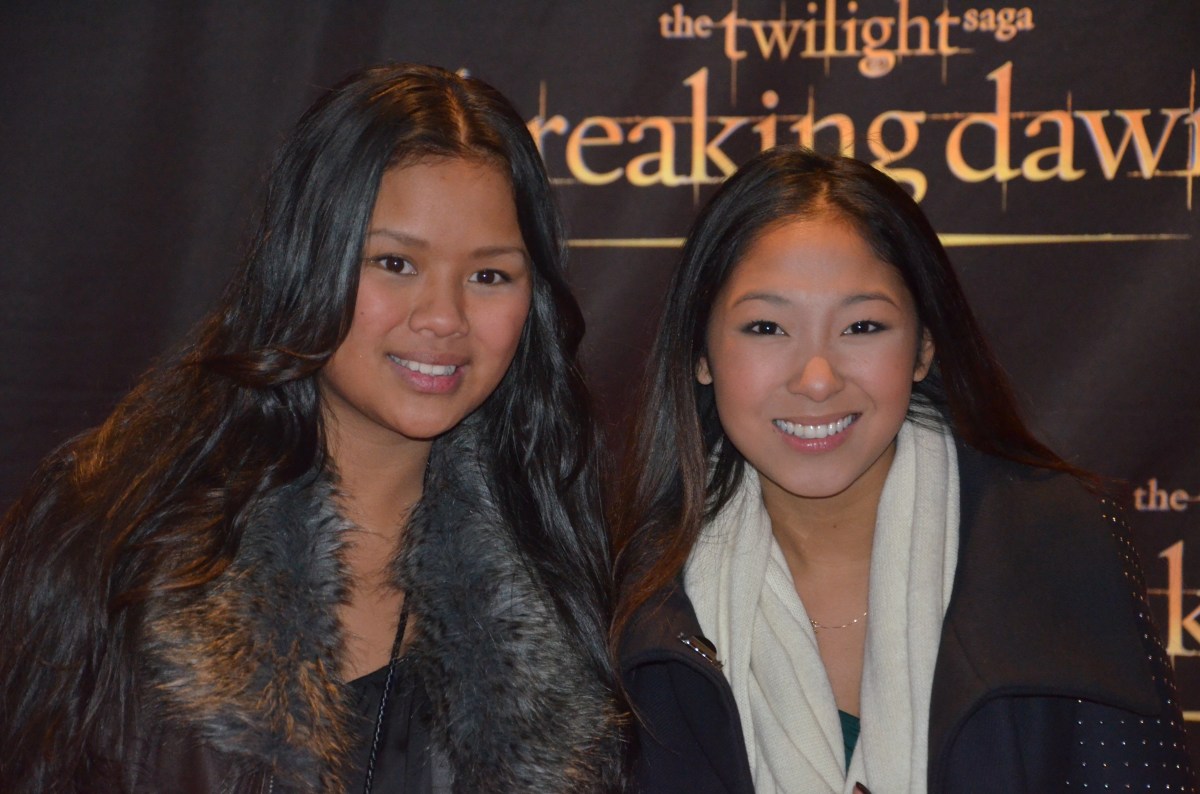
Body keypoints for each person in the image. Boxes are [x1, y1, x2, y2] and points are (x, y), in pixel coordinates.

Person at [0, 63, 621, 793]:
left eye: (489, 276)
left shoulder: (565, 568)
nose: (443, 318)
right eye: (395, 262)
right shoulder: (110, 541)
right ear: (307, 262)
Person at [612, 146, 1196, 793]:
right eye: (767, 328)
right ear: (700, 352)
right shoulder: (630, 599)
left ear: (923, 347)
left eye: (862, 326)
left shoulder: (1062, 541)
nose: (816, 379)